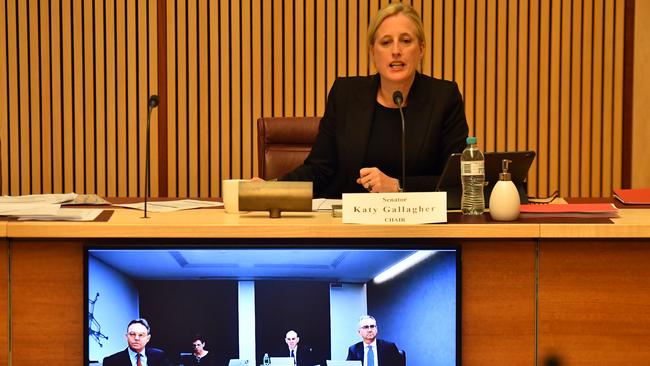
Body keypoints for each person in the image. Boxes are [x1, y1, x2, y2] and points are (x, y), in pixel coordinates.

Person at [278, 2, 469, 197]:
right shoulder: (345, 95)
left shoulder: (444, 98)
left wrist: (398, 185)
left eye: (405, 40)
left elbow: (457, 181)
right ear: (372, 52)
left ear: (421, 49)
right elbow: (320, 169)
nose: (396, 50)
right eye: (386, 42)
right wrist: (272, 188)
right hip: (351, 223)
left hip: (420, 224)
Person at [103, 318, 171, 366]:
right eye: (132, 334)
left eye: (141, 335)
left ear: (148, 338)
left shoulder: (159, 356)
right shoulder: (111, 362)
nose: (136, 338)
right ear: (126, 336)